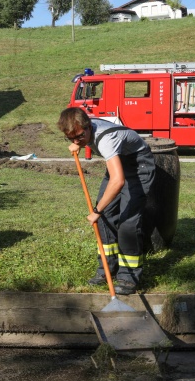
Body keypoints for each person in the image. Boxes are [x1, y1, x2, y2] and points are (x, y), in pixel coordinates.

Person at [57, 107, 155, 295]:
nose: (76, 141)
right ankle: (107, 269)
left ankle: (129, 277)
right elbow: (115, 175)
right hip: (120, 163)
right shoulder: (85, 127)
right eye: (71, 138)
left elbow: (118, 181)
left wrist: (97, 209)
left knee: (127, 222)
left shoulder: (106, 140)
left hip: (139, 165)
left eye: (79, 137)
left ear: (88, 127)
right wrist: (78, 143)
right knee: (104, 218)